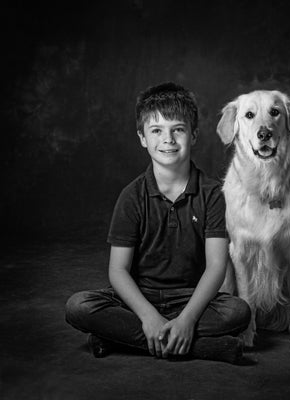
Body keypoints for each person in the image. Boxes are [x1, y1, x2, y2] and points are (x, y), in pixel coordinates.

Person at [65, 82, 251, 364]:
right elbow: (118, 270)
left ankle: (120, 336)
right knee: (78, 306)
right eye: (156, 131)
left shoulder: (213, 194)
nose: (168, 139)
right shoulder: (132, 196)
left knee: (237, 312)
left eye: (178, 129)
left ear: (194, 135)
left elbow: (216, 267)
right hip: (139, 298)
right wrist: (149, 317)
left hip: (191, 297)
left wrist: (187, 319)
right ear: (142, 137)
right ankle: (202, 347)